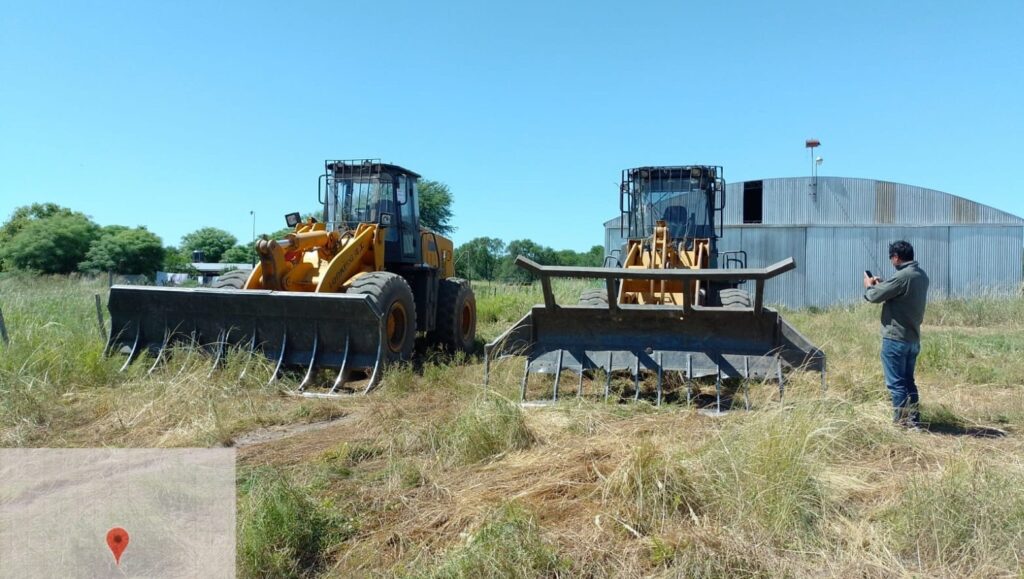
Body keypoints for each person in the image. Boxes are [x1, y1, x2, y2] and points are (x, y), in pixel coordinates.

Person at [863, 240, 930, 427]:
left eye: (891, 257)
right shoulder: (920, 275)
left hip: (895, 338)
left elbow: (874, 296)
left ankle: (900, 424)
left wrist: (869, 286)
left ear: (896, 257)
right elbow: (902, 293)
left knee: (896, 384)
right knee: (909, 381)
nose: (891, 261)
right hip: (913, 338)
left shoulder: (902, 276)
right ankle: (914, 420)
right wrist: (885, 284)